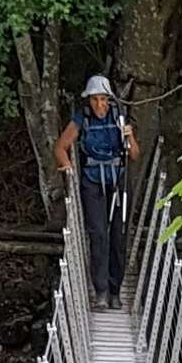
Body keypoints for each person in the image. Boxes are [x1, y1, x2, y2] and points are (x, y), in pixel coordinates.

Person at [56, 71, 140, 308]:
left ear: (109, 99)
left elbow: (134, 155)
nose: (99, 104)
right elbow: (60, 147)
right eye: (94, 99)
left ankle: (115, 291)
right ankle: (101, 291)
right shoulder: (82, 118)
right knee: (99, 235)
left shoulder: (119, 117)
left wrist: (130, 137)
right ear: (89, 100)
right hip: (93, 182)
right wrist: (67, 166)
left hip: (118, 181)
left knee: (118, 236)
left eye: (103, 99)